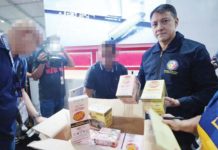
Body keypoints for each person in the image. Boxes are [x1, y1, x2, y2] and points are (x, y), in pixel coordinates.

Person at [137, 4, 218, 149]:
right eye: (154, 24)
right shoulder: (148, 55)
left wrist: (179, 102)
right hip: (153, 123)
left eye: (165, 21)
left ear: (176, 21)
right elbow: (141, 84)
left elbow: (210, 91)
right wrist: (133, 88)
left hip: (183, 127)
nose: (159, 27)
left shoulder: (195, 51)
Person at [0, 20, 41, 150]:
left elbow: (21, 91)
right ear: (24, 36)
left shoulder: (22, 61)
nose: (34, 50)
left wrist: (37, 117)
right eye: (35, 44)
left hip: (9, 129)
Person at [31, 35, 74, 118]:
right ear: (47, 44)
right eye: (53, 43)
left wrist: (64, 51)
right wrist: (42, 63)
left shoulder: (60, 55)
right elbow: (35, 77)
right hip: (47, 98)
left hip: (60, 95)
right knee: (47, 123)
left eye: (57, 43)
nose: (55, 45)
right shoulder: (40, 54)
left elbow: (72, 65)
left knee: (59, 121)